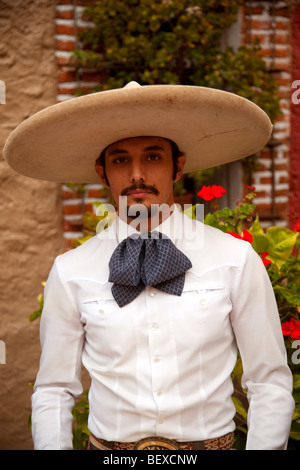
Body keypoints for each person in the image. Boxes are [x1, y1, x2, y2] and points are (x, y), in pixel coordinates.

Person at [4, 82, 295, 450]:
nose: (137, 174)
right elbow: (54, 390)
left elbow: (269, 381)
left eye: (153, 157)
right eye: (121, 160)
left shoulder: (234, 259)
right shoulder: (70, 270)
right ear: (102, 172)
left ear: (178, 166)